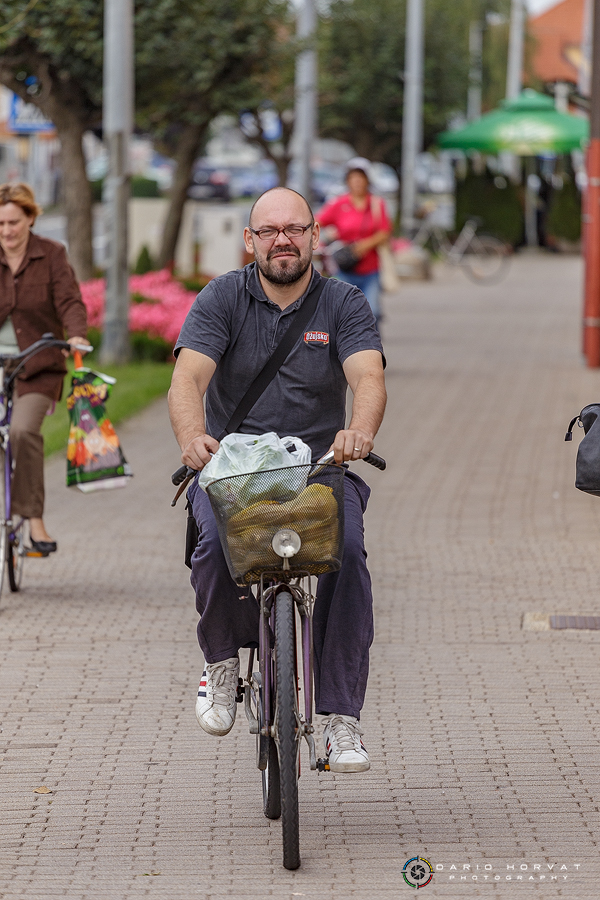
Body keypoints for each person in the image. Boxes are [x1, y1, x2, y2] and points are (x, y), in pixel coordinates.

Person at [169, 187, 386, 773]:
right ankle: (220, 663)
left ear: (315, 237)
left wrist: (358, 433)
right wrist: (194, 442)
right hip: (235, 470)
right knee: (214, 548)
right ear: (250, 241)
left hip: (319, 470)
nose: (282, 240)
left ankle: (341, 716)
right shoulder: (221, 298)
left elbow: (367, 378)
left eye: (295, 229)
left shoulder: (343, 303)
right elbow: (187, 379)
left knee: (347, 554)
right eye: (269, 231)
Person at [0, 183, 88, 554]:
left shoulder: (51, 254)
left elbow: (69, 300)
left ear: (31, 219)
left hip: (37, 365)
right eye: (0, 223)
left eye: (14, 222)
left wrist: (78, 335)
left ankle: (32, 518)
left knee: (21, 432)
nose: (6, 231)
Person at [317, 157, 392, 329]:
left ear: (367, 181)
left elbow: (384, 232)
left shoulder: (376, 203)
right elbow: (318, 220)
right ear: (348, 181)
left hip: (370, 267)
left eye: (361, 178)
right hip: (345, 266)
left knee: (373, 311)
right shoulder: (339, 203)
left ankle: (372, 346)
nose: (357, 182)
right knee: (344, 311)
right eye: (353, 179)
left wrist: (364, 245)